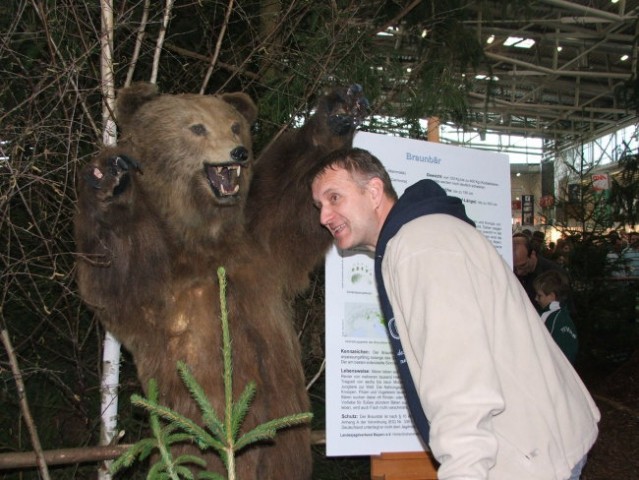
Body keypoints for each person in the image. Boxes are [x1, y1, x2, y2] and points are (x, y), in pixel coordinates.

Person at [309, 147, 599, 480]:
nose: (324, 217)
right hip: (536, 441)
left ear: (374, 191)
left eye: (334, 198)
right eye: (320, 205)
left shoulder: (421, 247)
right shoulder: (417, 239)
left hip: (529, 455)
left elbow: (460, 381)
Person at [533, 270, 579, 364]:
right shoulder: (562, 315)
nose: (536, 299)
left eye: (539, 295)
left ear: (551, 296)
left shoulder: (552, 318)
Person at [513, 233, 567, 312]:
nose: (519, 272)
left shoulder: (555, 274)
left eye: (523, 265)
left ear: (532, 254)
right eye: (515, 267)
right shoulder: (513, 273)